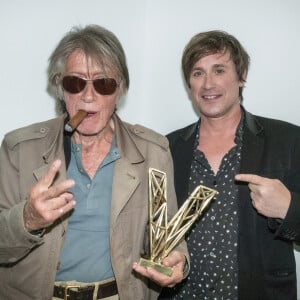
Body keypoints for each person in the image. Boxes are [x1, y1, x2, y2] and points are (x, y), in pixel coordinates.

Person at [0, 24, 188, 300]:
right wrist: (27, 219)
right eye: (75, 83)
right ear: (59, 87)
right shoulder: (19, 149)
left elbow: (168, 238)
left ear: (120, 89)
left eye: (103, 83)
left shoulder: (153, 152)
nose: (88, 96)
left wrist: (177, 261)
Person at [159, 30, 300, 300]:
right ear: (189, 83)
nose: (208, 84)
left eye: (219, 70)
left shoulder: (289, 141)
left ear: (242, 75)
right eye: (198, 73)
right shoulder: (167, 148)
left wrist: (288, 208)